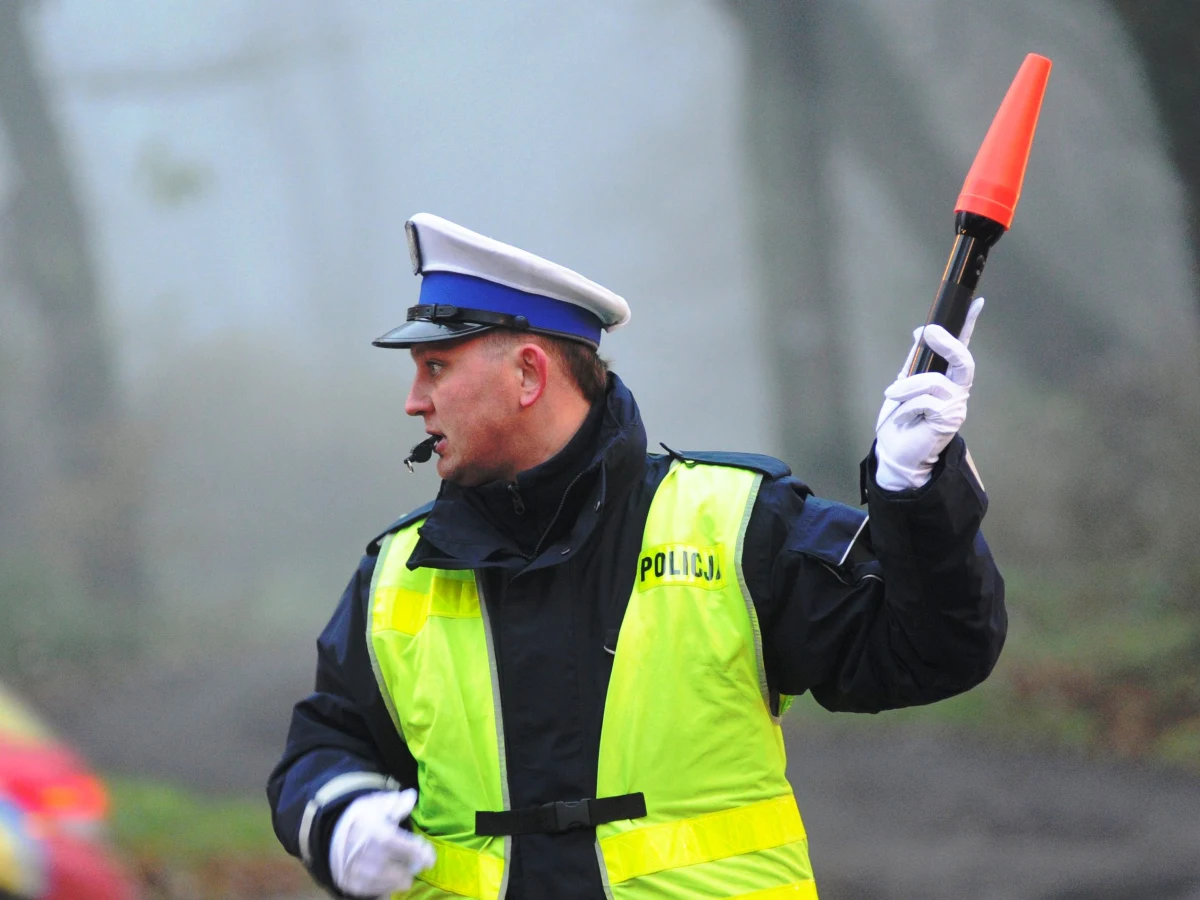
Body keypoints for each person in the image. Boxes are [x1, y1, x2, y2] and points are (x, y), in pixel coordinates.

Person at [267, 213, 1005, 899]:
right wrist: (338, 817)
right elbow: (324, 744)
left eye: (435, 369)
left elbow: (934, 649)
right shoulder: (395, 572)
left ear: (528, 374)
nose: (413, 401)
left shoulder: (736, 523)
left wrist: (915, 494)